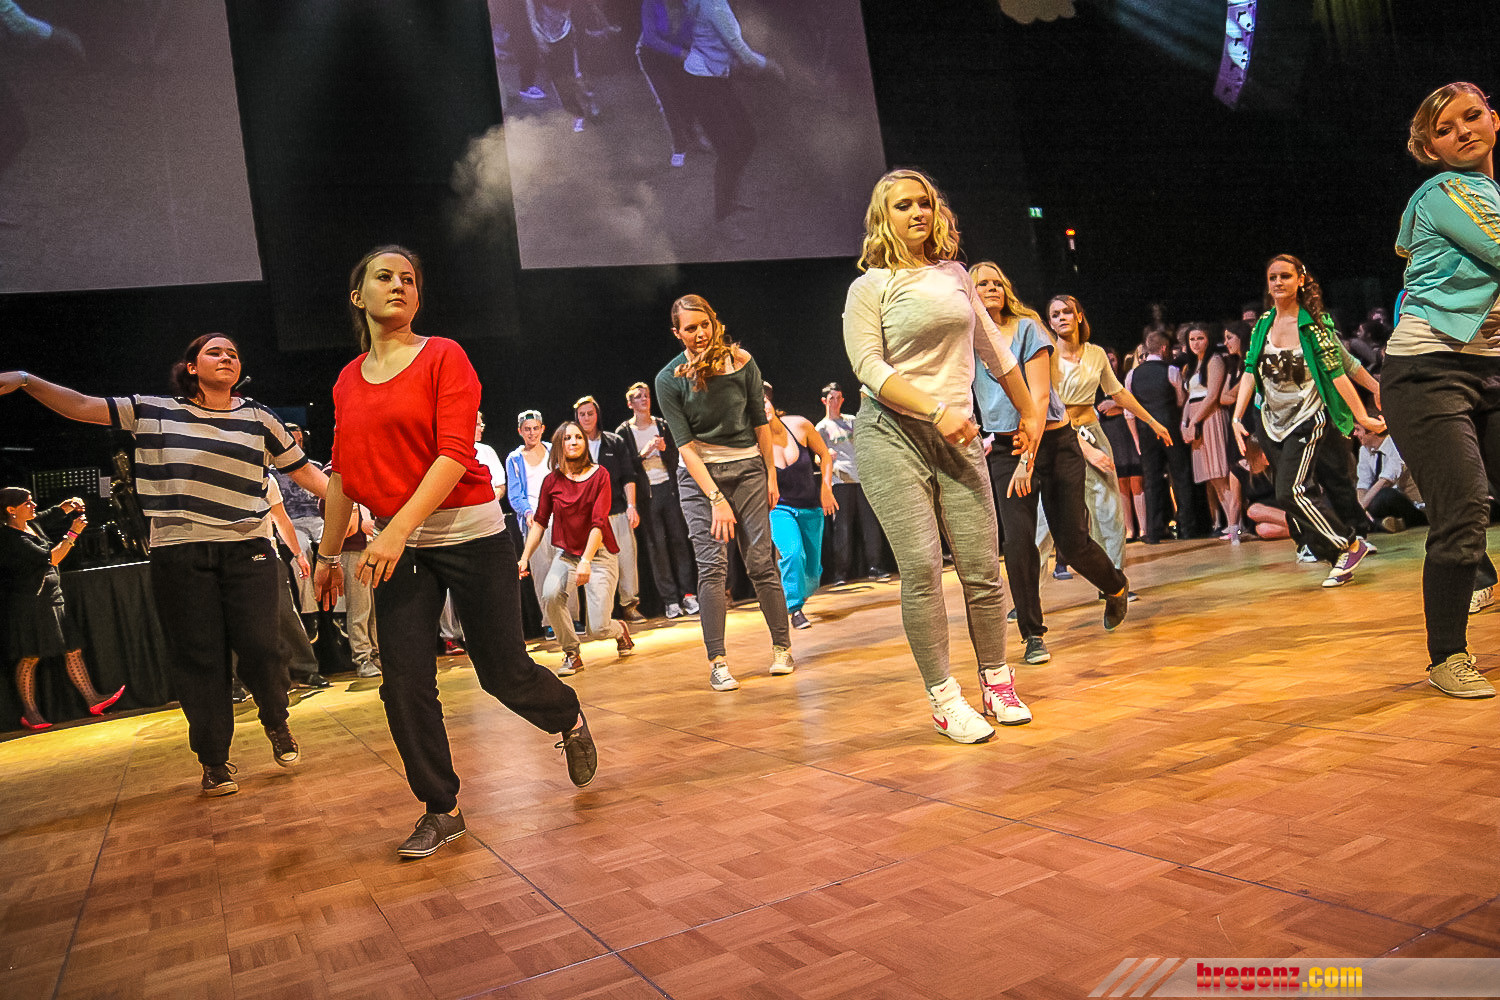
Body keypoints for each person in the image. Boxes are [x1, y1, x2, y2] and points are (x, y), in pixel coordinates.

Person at [313, 246, 594, 859]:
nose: (399, 285)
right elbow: (342, 476)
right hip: (401, 549)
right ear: (358, 297)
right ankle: (442, 809)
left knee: (502, 672)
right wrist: (328, 556)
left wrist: (393, 530)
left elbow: (453, 456)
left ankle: (567, 715)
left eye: (409, 279)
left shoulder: (444, 356)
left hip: (471, 534)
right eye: (384, 277)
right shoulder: (347, 381)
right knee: (403, 684)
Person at [1, 335, 327, 795]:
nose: (227, 358)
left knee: (261, 646)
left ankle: (275, 719)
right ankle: (214, 761)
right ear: (191, 366)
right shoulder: (153, 410)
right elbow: (80, 405)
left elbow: (306, 472)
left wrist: (361, 503)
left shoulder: (259, 416)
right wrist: (25, 380)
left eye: (233, 353)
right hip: (180, 551)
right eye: (215, 352)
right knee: (199, 657)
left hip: (247, 548)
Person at [842, 168, 1041, 743]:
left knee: (982, 568)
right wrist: (934, 411)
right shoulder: (869, 288)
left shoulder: (955, 275)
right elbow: (869, 367)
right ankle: (944, 698)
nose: (917, 213)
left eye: (924, 203)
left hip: (957, 436)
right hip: (892, 435)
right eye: (903, 205)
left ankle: (997, 681)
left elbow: (996, 351)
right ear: (884, 218)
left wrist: (1029, 413)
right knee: (924, 568)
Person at [1381, 82, 1500, 696]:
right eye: (1446, 129)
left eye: (1472, 117)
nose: (1464, 131)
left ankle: (1482, 582)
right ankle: (1447, 655)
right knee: (1463, 509)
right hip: (1427, 371)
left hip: (1488, 371)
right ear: (1431, 149)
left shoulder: (1491, 193)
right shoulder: (1446, 191)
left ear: (1494, 119)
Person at [969, 261, 1131, 669]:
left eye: (996, 282)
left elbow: (1039, 399)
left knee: (1072, 543)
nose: (991, 288)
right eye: (982, 284)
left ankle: (1115, 586)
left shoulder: (1029, 329)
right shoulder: (965, 342)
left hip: (1054, 443)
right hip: (1007, 450)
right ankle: (1032, 635)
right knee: (1018, 542)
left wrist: (1029, 456)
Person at [654, 293, 793, 691]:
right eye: (690, 328)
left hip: (748, 469)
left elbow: (760, 423)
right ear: (677, 333)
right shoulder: (668, 379)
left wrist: (770, 475)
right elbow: (685, 447)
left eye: (705, 324)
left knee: (761, 561)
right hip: (699, 478)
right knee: (713, 567)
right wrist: (716, 499)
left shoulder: (743, 362)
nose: (700, 333)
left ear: (714, 322)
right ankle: (717, 661)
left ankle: (782, 647)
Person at [1230, 254, 1387, 589]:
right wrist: (1236, 415)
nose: (1278, 282)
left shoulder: (1313, 325)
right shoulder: (1263, 324)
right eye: (1273, 277)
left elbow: (1340, 370)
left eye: (1285, 276)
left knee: (1295, 489)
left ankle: (1349, 544)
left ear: (1300, 280)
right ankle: (1330, 550)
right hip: (1271, 421)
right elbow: (1250, 370)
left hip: (1307, 417)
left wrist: (1363, 413)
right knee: (1293, 493)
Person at [1049, 295, 1175, 572]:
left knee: (1108, 511)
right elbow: (1049, 408)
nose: (1061, 318)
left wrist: (1152, 421)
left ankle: (1113, 580)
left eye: (1066, 312)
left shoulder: (1095, 354)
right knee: (1051, 515)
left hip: (1093, 432)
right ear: (1050, 323)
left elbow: (1117, 392)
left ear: (1079, 316)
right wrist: (1082, 447)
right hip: (1059, 437)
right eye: (1055, 315)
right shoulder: (1047, 356)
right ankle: (1036, 587)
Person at [517, 421, 635, 675]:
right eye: (568, 438)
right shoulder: (552, 481)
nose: (574, 442)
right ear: (559, 444)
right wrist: (524, 557)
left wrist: (587, 561)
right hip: (568, 555)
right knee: (550, 595)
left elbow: (598, 522)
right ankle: (571, 653)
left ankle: (620, 630)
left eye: (578, 437)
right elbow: (540, 522)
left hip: (599, 555)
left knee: (598, 629)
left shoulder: (600, 474)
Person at [0, 488, 123, 730]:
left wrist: (68, 506)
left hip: (52, 597)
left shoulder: (30, 524)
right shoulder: (10, 538)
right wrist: (73, 533)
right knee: (31, 656)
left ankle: (93, 699)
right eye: (27, 503)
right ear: (11, 510)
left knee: (72, 648)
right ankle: (30, 713)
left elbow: (48, 515)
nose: (33, 505)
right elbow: (52, 558)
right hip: (30, 603)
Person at [679, 0, 782, 223]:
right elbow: (740, 49)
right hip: (702, 82)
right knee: (729, 150)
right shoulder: (713, 3)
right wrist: (769, 66)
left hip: (715, 78)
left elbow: (699, 34)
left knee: (747, 138)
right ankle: (722, 217)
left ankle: (730, 200)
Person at [616, 382, 699, 618]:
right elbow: (625, 468)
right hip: (647, 494)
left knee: (680, 541)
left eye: (646, 395)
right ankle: (670, 600)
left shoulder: (662, 425)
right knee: (657, 547)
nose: (644, 399)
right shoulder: (624, 432)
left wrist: (664, 449)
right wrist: (643, 454)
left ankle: (688, 595)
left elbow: (678, 458)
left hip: (669, 489)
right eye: (638, 396)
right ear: (630, 403)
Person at [762, 382, 837, 630]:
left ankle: (797, 593)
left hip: (811, 508)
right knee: (792, 554)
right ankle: (794, 609)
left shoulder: (799, 425)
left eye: (764, 402)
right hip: (779, 510)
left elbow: (825, 456)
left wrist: (826, 487)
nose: (762, 408)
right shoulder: (755, 443)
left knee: (812, 575)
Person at [573, 395, 647, 623]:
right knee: (594, 566)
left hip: (617, 511)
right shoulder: (572, 446)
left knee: (626, 560)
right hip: (589, 518)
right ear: (576, 418)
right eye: (582, 414)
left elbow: (628, 476)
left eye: (590, 413)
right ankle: (600, 614)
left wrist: (631, 506)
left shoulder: (614, 442)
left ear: (597, 415)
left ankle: (629, 605)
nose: (587, 418)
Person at [1126, 328, 1201, 542]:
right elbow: (1180, 400)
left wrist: (1137, 439)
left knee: (1151, 480)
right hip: (1171, 429)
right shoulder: (1171, 370)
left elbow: (1129, 412)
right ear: (1164, 348)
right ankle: (1187, 529)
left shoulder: (1132, 375)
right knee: (1180, 477)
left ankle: (1153, 531)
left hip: (1145, 432)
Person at [505, 409, 574, 634]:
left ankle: (572, 618)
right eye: (527, 429)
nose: (532, 433)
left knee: (567, 569)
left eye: (535, 428)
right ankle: (551, 622)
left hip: (560, 518)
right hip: (535, 523)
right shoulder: (515, 459)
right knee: (543, 573)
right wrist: (527, 512)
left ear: (543, 429)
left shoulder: (554, 451)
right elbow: (515, 494)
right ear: (520, 432)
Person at [816, 382, 889, 584]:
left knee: (870, 524)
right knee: (842, 528)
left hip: (861, 478)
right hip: (840, 481)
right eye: (831, 398)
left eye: (838, 398)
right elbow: (817, 457)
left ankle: (875, 566)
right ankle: (841, 573)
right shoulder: (821, 428)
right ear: (824, 401)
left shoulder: (852, 421)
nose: (835, 402)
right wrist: (825, 456)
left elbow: (867, 442)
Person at [1177, 324, 1244, 541]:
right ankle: (1231, 524)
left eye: (1200, 338)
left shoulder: (1214, 361)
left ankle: (1236, 524)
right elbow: (1189, 398)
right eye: (1192, 339)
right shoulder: (1191, 366)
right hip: (1196, 418)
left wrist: (1194, 422)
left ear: (1208, 339)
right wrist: (1184, 423)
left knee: (1220, 473)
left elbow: (1213, 395)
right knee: (1212, 477)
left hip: (1211, 417)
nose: (1196, 343)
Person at [636, 0, 695, 166]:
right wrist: (680, 52)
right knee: (667, 100)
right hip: (651, 56)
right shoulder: (650, 4)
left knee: (686, 96)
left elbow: (692, 31)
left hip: (676, 55)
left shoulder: (688, 4)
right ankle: (679, 146)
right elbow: (650, 38)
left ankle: (693, 137)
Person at [1353, 423, 1425, 533]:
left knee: (1384, 496)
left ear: (1372, 430)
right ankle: (1383, 524)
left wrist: (1359, 510)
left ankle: (1370, 524)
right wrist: (1360, 507)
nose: (1354, 434)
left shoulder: (1396, 443)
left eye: (1358, 429)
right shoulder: (1364, 450)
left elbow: (1385, 482)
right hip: (1382, 506)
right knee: (1349, 502)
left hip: (1412, 505)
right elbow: (1363, 484)